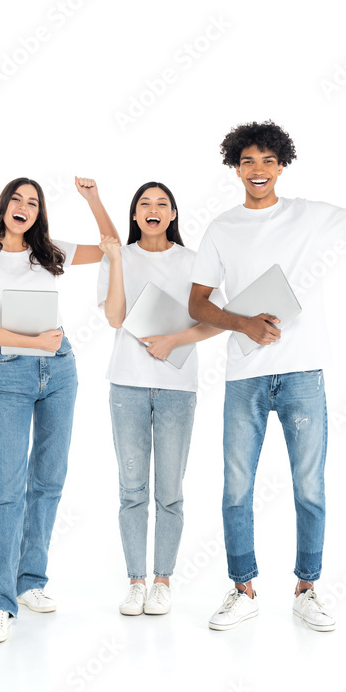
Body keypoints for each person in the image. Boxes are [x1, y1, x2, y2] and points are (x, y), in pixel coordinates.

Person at [188, 114, 346, 632]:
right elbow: (197, 304)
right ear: (235, 169)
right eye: (247, 162)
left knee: (309, 486)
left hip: (304, 373)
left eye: (267, 161)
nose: (257, 170)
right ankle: (243, 589)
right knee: (236, 487)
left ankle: (307, 588)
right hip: (245, 376)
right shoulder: (222, 227)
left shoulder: (309, 215)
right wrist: (242, 322)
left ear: (281, 166)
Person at [0, 176, 119, 643]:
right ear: (3, 205)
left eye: (33, 202)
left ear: (39, 213)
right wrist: (29, 342)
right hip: (11, 373)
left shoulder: (49, 251)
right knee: (8, 488)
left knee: (48, 482)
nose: (24, 207)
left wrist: (93, 199)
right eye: (17, 199)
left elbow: (112, 247)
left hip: (60, 370)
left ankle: (31, 580)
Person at [98, 182, 225, 616]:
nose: (153, 210)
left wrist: (174, 340)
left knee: (169, 491)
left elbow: (217, 321)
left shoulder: (192, 262)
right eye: (144, 204)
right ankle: (136, 581)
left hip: (177, 388)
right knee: (131, 490)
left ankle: (162, 580)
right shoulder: (119, 257)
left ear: (173, 214)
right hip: (127, 385)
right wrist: (115, 260)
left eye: (162, 205)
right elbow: (115, 317)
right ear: (134, 215)